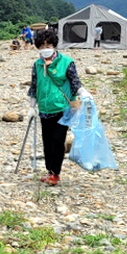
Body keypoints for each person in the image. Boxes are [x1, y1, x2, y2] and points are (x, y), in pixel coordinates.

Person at [26, 28, 91, 186]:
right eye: (42, 45)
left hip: (62, 108)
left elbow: (74, 81)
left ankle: (56, 173)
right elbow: (35, 85)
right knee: (47, 141)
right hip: (44, 109)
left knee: (57, 140)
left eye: (48, 44)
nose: (45, 48)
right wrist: (32, 106)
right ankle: (50, 172)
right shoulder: (37, 64)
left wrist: (84, 93)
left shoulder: (66, 62)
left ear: (54, 45)